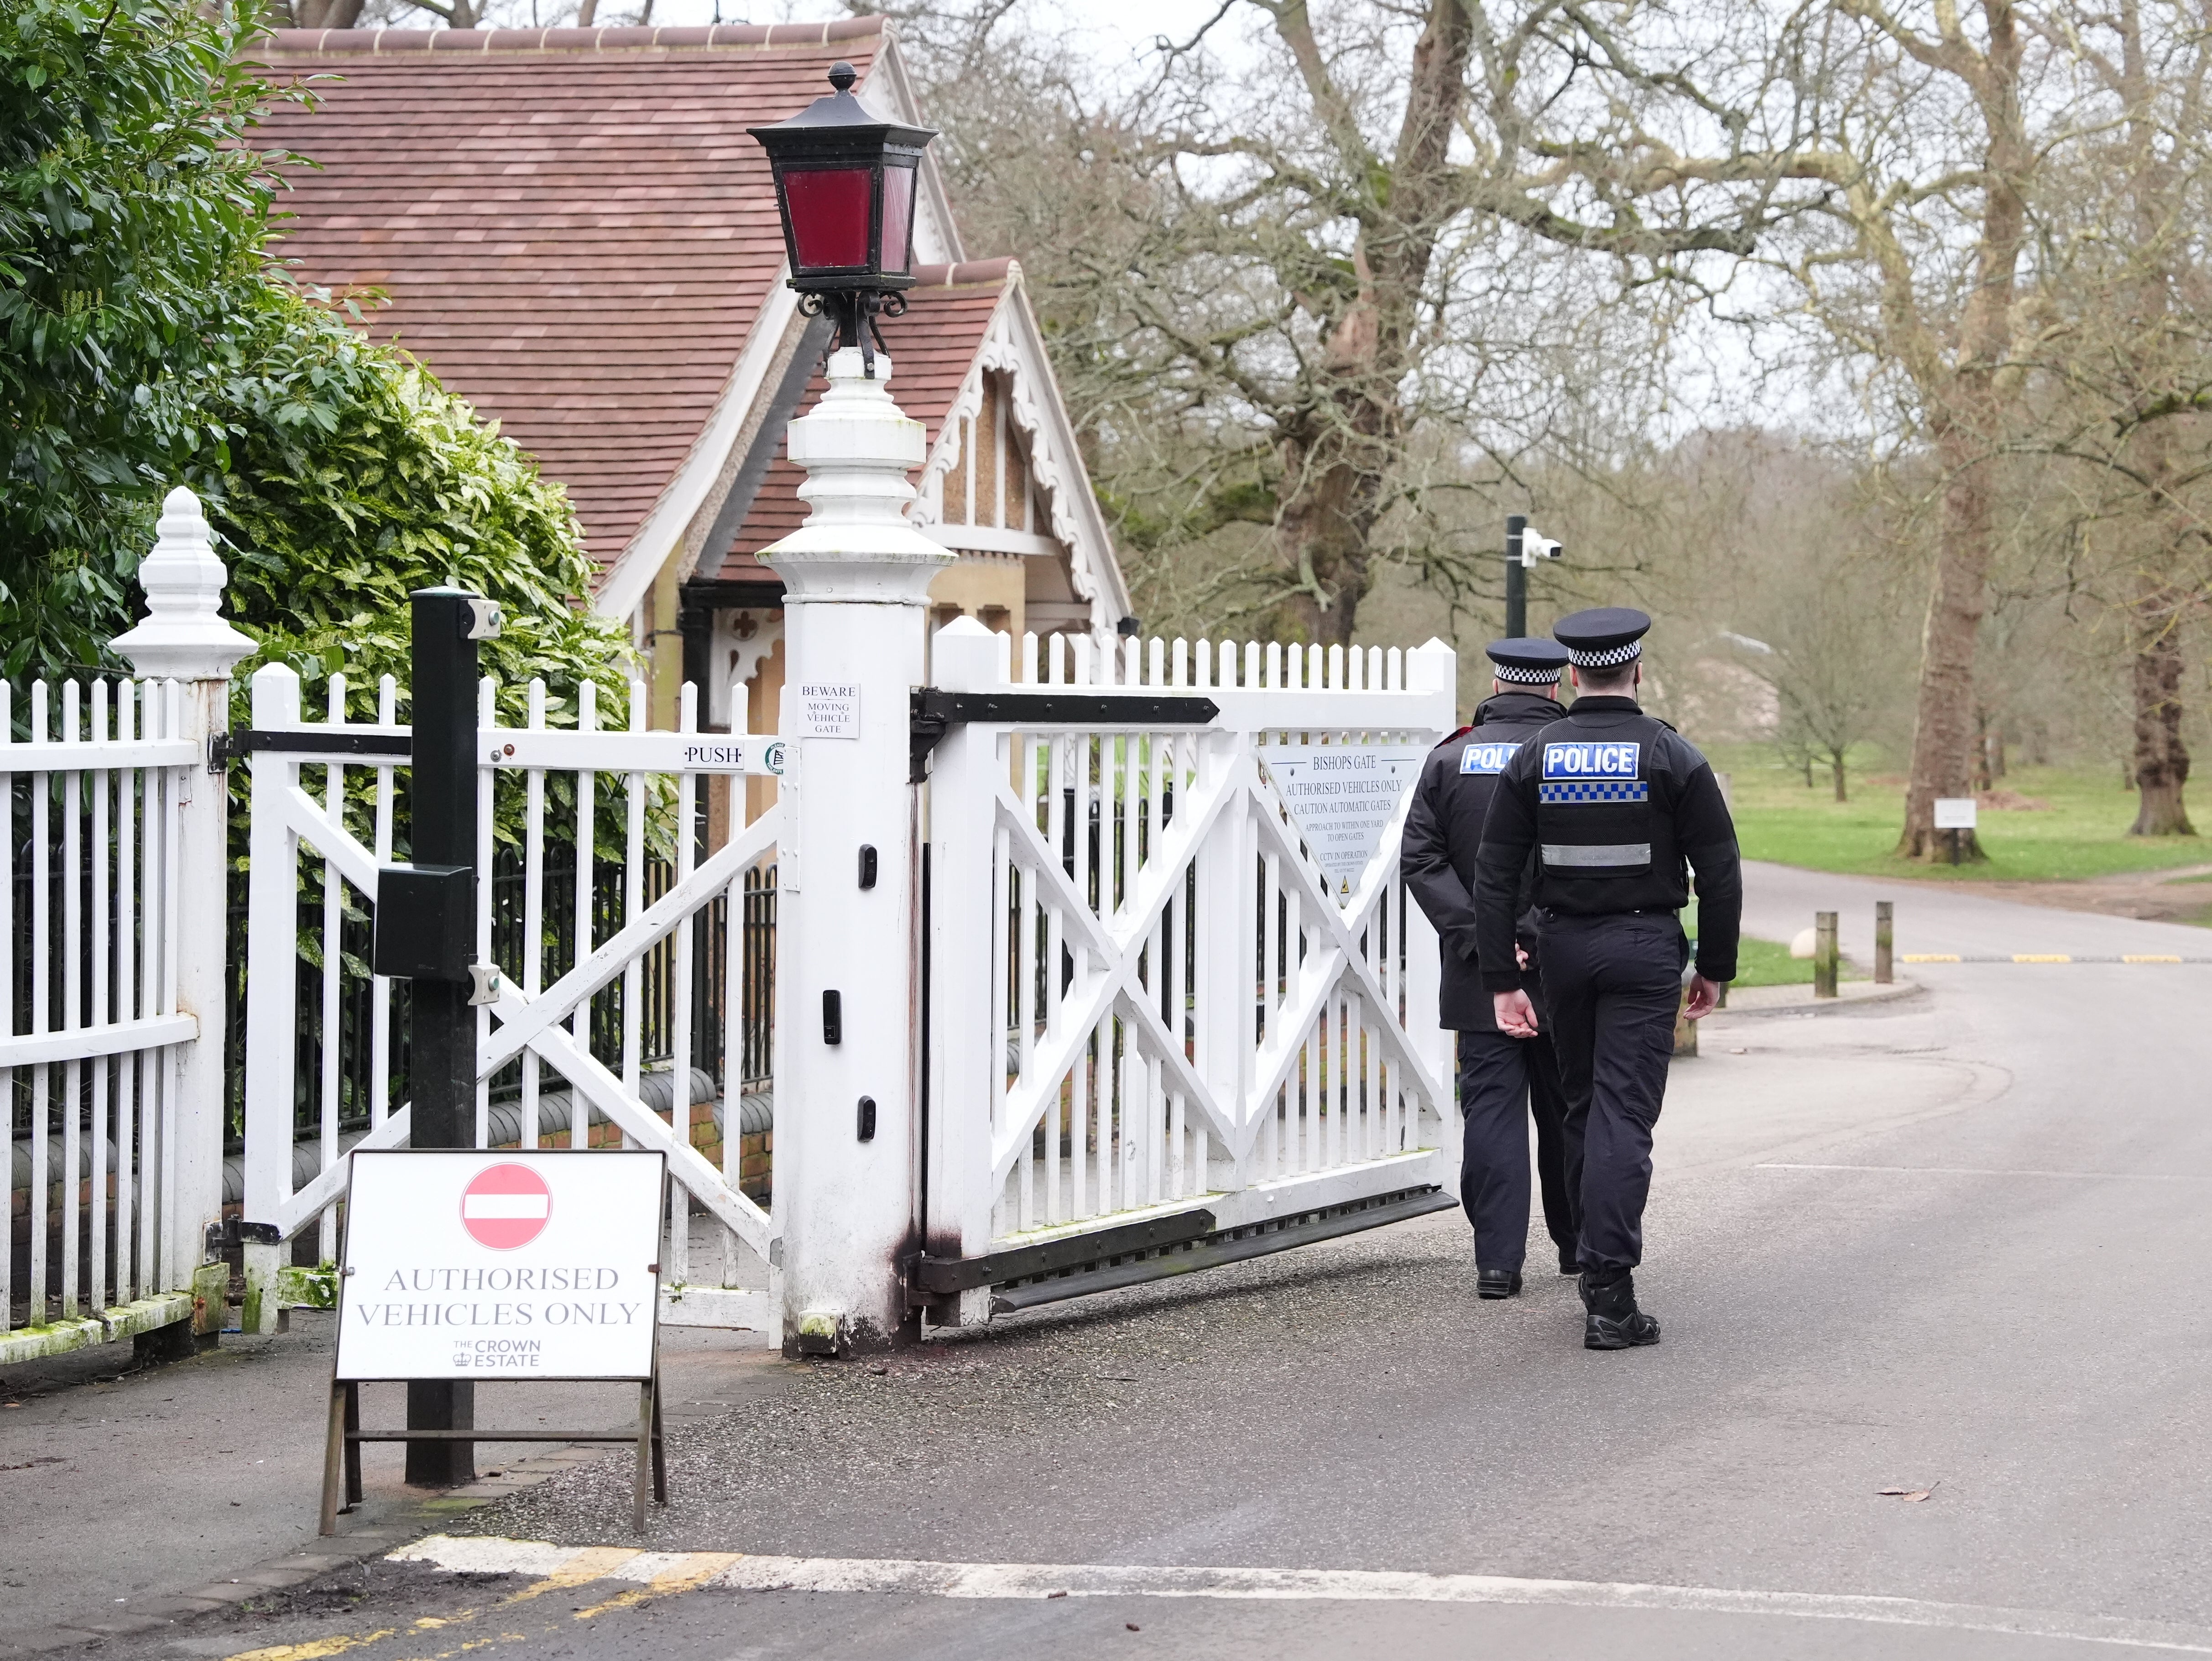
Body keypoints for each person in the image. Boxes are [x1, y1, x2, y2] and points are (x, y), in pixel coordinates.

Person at [1472, 607, 1740, 1350]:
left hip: (1562, 952)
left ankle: (1594, 1271)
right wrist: (1714, 967)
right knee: (1625, 1113)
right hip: (1645, 950)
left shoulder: (1536, 755)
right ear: (1637, 671)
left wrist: (1502, 978)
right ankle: (1610, 1296)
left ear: (1572, 674)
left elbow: (1495, 878)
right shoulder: (1671, 755)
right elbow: (1719, 871)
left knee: (1583, 1107)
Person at [1401, 638, 1578, 1301]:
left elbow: (1421, 860)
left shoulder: (1449, 759)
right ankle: (1578, 1246)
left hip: (1480, 970)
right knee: (1568, 1109)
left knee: (1493, 1113)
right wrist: (1539, 936)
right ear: (1558, 686)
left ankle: (1498, 1265)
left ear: (1497, 683)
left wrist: (1489, 938)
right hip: (1566, 958)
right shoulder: (1572, 758)